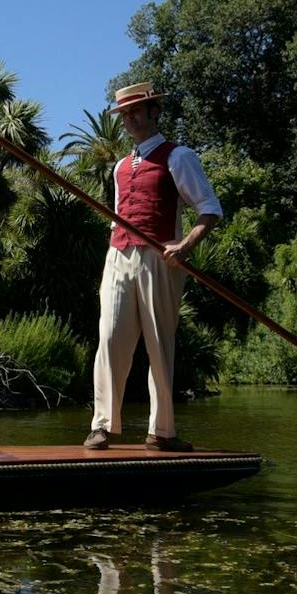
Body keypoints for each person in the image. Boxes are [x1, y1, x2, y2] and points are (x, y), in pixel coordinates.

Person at [84, 82, 224, 452]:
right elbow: (117, 218)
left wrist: (185, 246)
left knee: (160, 345)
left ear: (153, 112)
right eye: (124, 114)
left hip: (160, 258)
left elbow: (210, 209)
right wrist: (113, 254)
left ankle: (162, 432)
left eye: (135, 111)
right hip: (118, 256)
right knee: (110, 338)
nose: (129, 118)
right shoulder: (119, 167)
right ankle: (102, 426)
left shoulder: (178, 156)